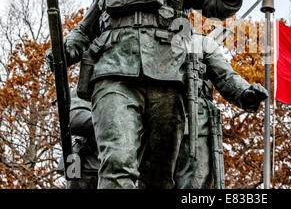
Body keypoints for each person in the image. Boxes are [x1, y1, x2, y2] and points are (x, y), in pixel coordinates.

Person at [47, 0, 264, 189]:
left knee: (160, 177)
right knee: (117, 162)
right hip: (113, 73)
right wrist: (66, 48)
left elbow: (215, 6)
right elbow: (84, 30)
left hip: (168, 76)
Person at [58, 32, 268, 189]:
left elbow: (226, 77)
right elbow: (77, 114)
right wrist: (121, 121)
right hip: (152, 131)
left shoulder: (201, 43)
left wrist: (245, 93)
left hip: (195, 129)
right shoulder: (129, 43)